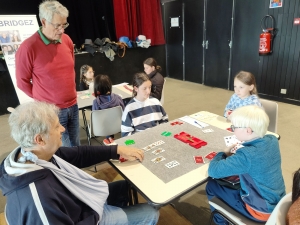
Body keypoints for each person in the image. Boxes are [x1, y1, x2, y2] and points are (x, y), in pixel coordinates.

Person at [0, 101, 159, 225]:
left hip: (77, 206)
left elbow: (79, 155)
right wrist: (97, 213)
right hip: (86, 218)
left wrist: (116, 150)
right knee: (151, 213)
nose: (63, 129)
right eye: (56, 127)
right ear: (39, 139)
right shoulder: (38, 197)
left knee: (125, 187)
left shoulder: (35, 154)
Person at [206, 105, 285, 224]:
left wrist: (223, 152)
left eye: (234, 127)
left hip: (260, 211)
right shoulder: (272, 139)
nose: (232, 130)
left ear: (248, 130)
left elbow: (213, 171)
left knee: (211, 185)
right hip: (278, 202)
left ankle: (220, 222)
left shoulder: (246, 155)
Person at [15, 0, 80, 147]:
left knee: (75, 147)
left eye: (64, 25)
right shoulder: (28, 48)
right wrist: (43, 99)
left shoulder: (67, 40)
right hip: (51, 111)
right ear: (44, 22)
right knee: (62, 150)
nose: (62, 30)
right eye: (57, 25)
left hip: (73, 105)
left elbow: (70, 69)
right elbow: (22, 81)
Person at [121, 72, 168, 137]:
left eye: (149, 87)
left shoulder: (156, 102)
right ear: (136, 88)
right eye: (144, 88)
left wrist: (160, 132)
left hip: (157, 136)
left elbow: (164, 120)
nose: (148, 91)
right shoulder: (129, 109)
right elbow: (126, 134)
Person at [92, 74, 125, 145]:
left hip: (102, 128)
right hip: (118, 126)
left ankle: (109, 137)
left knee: (104, 119)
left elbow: (95, 119)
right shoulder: (118, 98)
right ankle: (110, 138)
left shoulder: (96, 102)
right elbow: (124, 112)